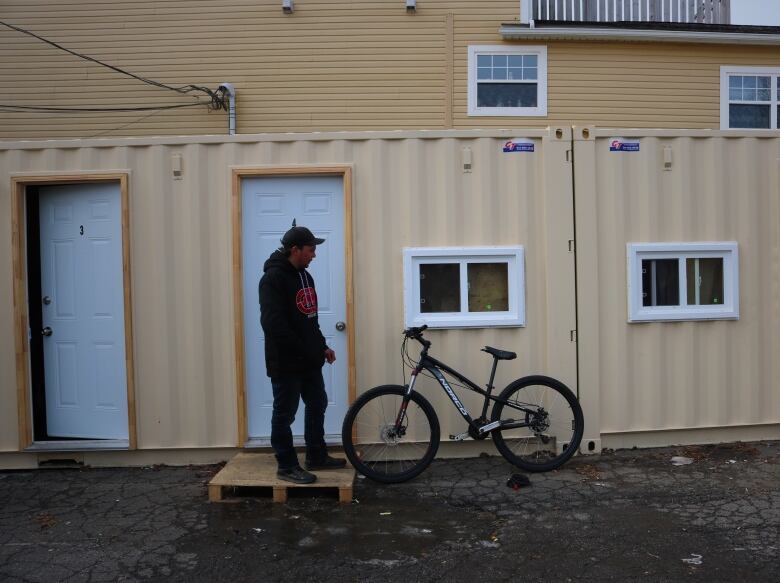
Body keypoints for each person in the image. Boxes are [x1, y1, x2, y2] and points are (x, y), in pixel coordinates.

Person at [258, 223, 346, 484]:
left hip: (309, 359)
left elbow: (310, 318)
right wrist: (304, 348)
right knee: (284, 414)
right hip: (285, 361)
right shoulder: (272, 279)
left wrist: (322, 346)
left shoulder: (306, 276)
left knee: (317, 403)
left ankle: (316, 455)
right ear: (295, 250)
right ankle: (286, 466)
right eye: (310, 249)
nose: (314, 254)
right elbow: (273, 324)